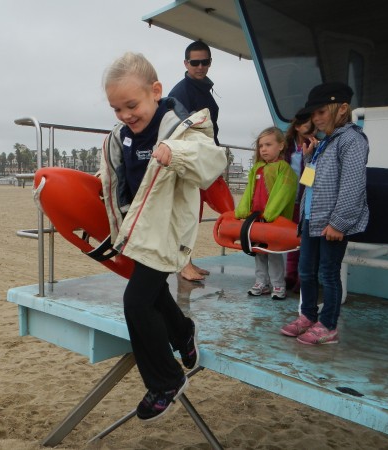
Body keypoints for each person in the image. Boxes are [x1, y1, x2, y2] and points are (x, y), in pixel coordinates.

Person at [100, 52, 227, 421]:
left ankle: (166, 380)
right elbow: (116, 180)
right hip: (140, 230)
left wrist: (177, 153)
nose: (125, 115)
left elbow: (211, 158)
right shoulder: (121, 137)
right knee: (153, 295)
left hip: (168, 230)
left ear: (156, 91)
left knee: (136, 303)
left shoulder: (182, 129)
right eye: (116, 108)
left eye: (131, 104)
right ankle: (183, 332)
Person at [281, 82, 369, 345]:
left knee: (328, 273)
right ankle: (308, 316)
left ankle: (328, 325)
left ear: (342, 108)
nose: (316, 119)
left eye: (321, 112)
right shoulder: (323, 144)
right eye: (313, 114)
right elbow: (310, 181)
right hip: (311, 219)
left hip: (332, 223)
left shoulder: (352, 140)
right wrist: (309, 159)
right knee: (307, 272)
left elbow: (352, 185)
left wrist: (339, 223)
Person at [168, 40, 221, 282]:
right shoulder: (180, 92)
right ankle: (182, 264)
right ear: (186, 63)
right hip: (188, 161)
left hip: (201, 160)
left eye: (205, 62)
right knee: (186, 214)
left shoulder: (203, 89)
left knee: (194, 213)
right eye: (195, 62)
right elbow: (180, 130)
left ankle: (187, 260)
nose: (200, 67)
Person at [235, 127, 297, 300]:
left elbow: (283, 192)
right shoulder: (257, 168)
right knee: (258, 252)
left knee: (274, 254)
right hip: (256, 219)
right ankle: (261, 282)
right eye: (261, 145)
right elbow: (249, 191)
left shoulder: (284, 169)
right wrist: (242, 210)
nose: (263, 149)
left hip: (272, 220)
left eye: (268, 144)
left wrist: (270, 214)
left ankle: (278, 285)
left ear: (281, 146)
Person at [283, 109, 315, 293]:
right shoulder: (287, 147)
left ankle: (302, 277)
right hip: (290, 199)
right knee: (291, 238)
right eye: (306, 127)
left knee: (304, 239)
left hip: (306, 198)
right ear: (296, 127)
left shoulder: (315, 146)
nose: (309, 131)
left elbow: (311, 174)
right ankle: (290, 274)